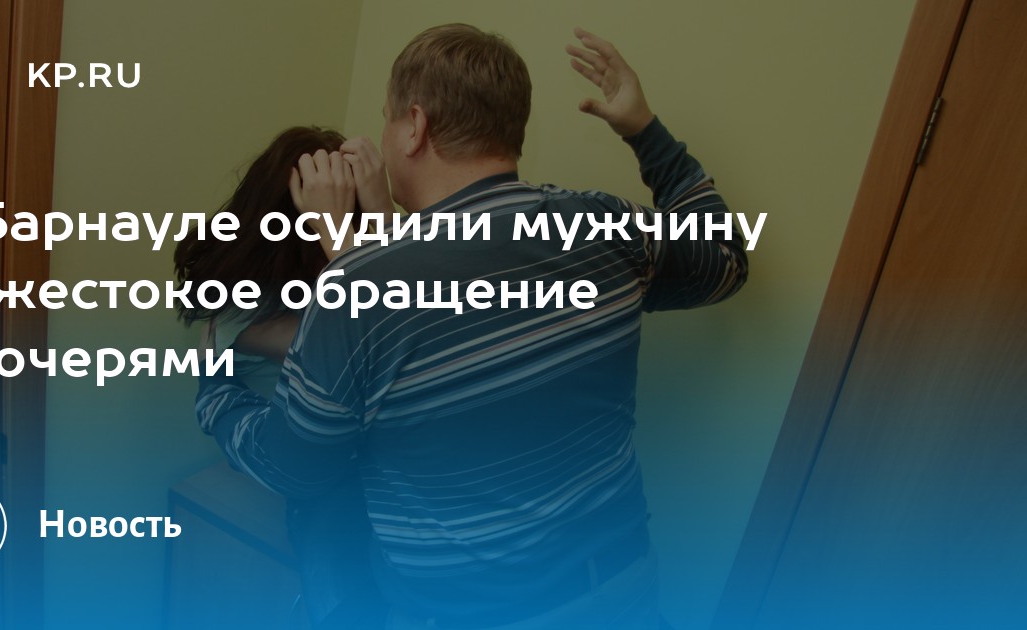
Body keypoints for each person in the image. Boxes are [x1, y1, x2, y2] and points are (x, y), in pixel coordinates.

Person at [194, 24, 749, 629]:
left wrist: (215, 393)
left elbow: (293, 467)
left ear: (415, 125)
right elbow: (724, 261)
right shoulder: (604, 226)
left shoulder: (361, 286)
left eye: (386, 120)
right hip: (624, 592)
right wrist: (643, 129)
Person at [173, 126, 390, 627]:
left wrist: (379, 212)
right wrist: (373, 225)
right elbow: (373, 347)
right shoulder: (239, 313)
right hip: (319, 478)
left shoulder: (323, 279)